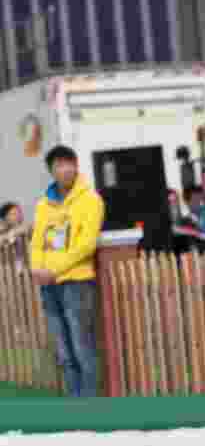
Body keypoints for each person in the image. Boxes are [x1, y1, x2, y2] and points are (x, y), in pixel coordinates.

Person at [30, 145, 105, 397]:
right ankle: (74, 405)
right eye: (58, 165)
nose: (64, 169)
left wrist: (54, 269)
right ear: (51, 171)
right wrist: (37, 269)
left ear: (76, 166)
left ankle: (90, 406)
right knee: (63, 351)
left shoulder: (91, 200)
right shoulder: (43, 205)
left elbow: (86, 245)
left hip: (77, 282)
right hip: (48, 284)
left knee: (82, 345)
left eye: (68, 163)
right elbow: (37, 241)